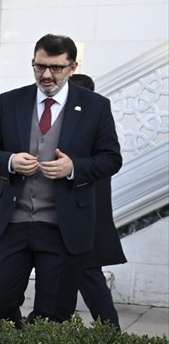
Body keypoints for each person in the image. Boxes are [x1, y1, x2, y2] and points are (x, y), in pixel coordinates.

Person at [0, 34, 123, 326]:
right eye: (39, 66)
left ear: (72, 67)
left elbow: (111, 159)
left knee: (53, 314)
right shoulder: (10, 101)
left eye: (55, 68)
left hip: (62, 228)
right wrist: (10, 161)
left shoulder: (95, 106)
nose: (46, 75)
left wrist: (74, 167)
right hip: (11, 223)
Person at [68, 72, 126, 329]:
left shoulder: (93, 122)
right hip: (70, 219)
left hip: (86, 218)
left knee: (89, 276)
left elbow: (108, 162)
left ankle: (110, 333)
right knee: (67, 279)